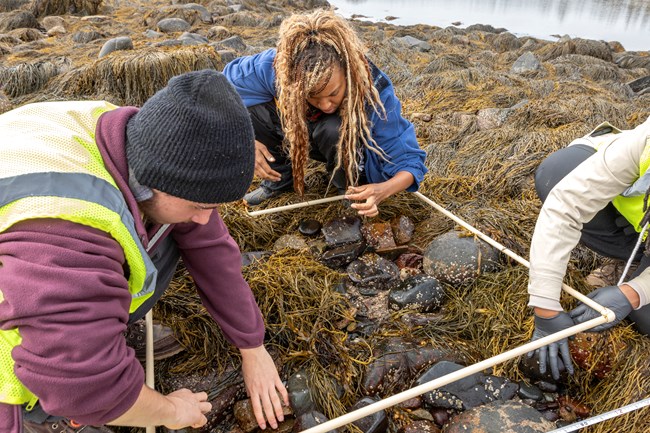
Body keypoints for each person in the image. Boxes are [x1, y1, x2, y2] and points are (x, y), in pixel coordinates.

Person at [0, 70, 288, 433]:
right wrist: (172, 410)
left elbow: (211, 245)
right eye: (200, 204)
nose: (205, 219)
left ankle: (90, 332)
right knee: (65, 389)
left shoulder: (136, 140)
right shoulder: (64, 233)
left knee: (173, 226)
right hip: (11, 323)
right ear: (156, 180)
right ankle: (42, 411)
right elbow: (88, 391)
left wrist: (252, 346)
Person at [222, 9, 427, 218]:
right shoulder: (280, 67)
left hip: (341, 140)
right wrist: (246, 139)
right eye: (312, 97)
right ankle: (281, 180)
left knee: (333, 127)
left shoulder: (372, 88)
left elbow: (410, 161)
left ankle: (348, 186)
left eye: (333, 94)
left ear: (348, 73)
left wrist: (383, 190)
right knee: (250, 109)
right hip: (298, 130)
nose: (325, 105)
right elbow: (222, 86)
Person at [527, 116, 650, 381]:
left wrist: (635, 292)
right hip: (636, 225)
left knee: (646, 317)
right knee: (557, 173)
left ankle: (636, 274)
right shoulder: (646, 141)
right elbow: (566, 203)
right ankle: (629, 258)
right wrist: (545, 306)